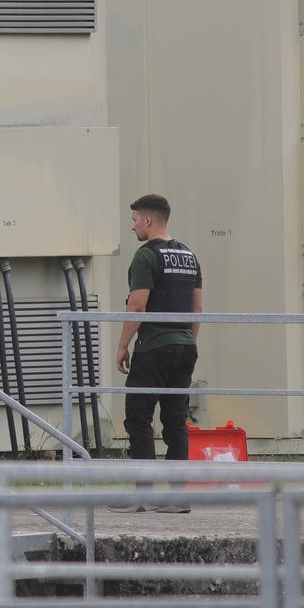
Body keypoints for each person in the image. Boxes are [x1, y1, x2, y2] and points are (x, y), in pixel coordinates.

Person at [114, 194, 202, 504]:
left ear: (149, 220)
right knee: (175, 421)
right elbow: (197, 309)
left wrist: (123, 345)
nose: (132, 225)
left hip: (154, 346)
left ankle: (143, 493)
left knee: (138, 417)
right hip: (185, 346)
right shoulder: (189, 255)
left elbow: (137, 306)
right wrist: (187, 341)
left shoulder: (146, 255)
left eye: (135, 219)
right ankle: (178, 496)